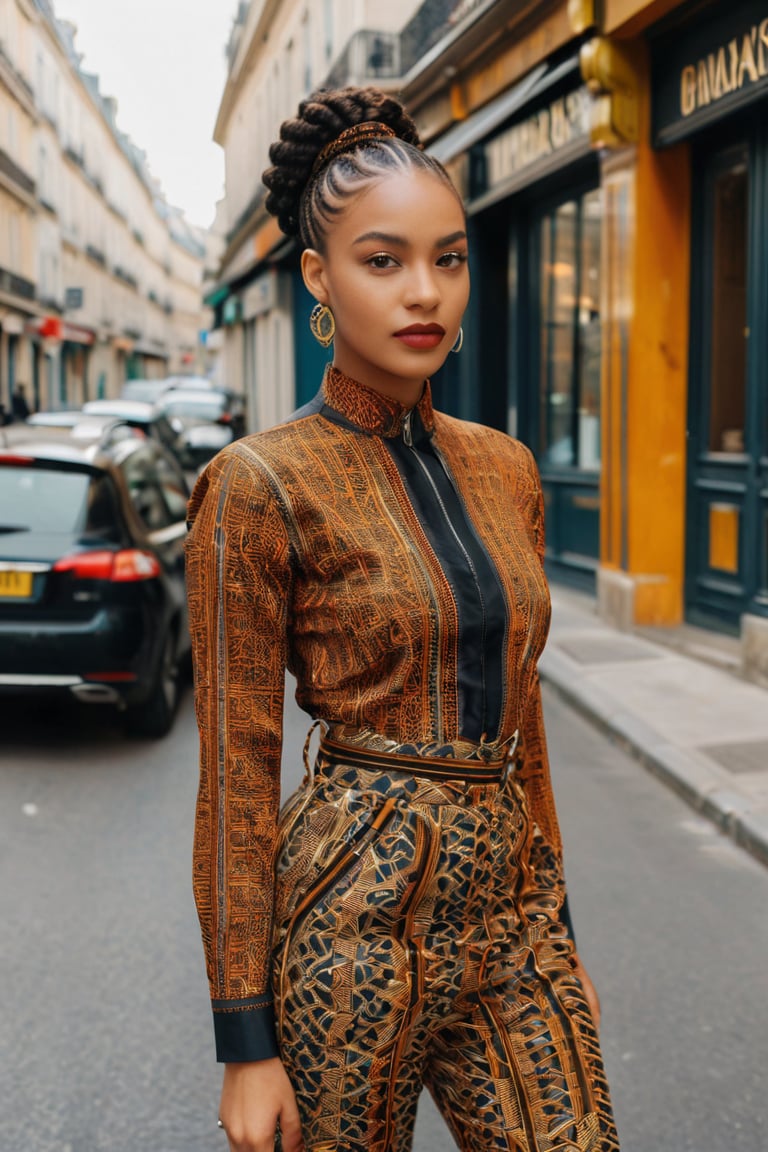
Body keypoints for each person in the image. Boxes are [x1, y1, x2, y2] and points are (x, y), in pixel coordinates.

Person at [186, 86, 619, 1152]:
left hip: (512, 914)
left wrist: (560, 939)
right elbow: (237, 776)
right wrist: (245, 1037)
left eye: (450, 257)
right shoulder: (259, 483)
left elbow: (526, 730)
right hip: (349, 916)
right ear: (321, 279)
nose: (425, 292)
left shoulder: (507, 466)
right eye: (384, 261)